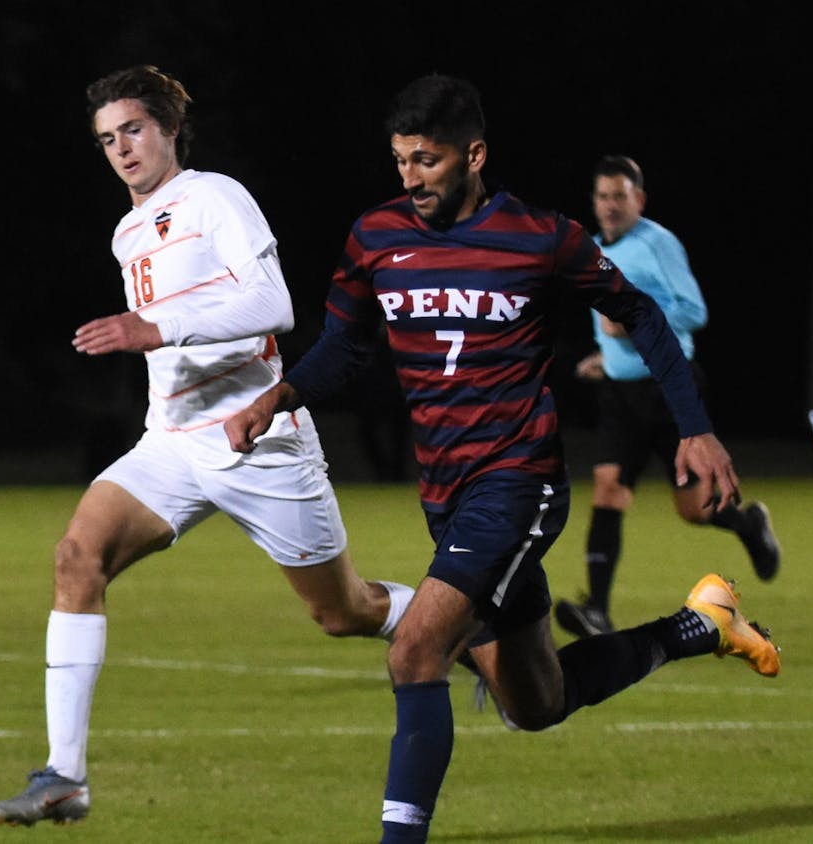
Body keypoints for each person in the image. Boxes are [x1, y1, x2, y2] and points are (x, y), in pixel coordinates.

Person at [224, 74, 781, 844]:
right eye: (400, 161)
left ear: (474, 154)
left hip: (519, 487)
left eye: (427, 160)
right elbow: (344, 348)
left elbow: (642, 315)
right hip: (446, 495)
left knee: (416, 650)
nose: (410, 178)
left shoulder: (539, 236)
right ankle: (699, 624)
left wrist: (695, 425)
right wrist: (277, 397)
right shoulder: (376, 238)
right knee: (535, 702)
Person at [0, 64, 417, 827]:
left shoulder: (216, 196)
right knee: (77, 557)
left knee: (343, 613)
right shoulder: (125, 230)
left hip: (259, 443)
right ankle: (64, 777)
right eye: (107, 138)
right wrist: (156, 359)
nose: (122, 148)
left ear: (170, 131)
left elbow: (273, 303)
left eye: (134, 130)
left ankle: (468, 622)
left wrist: (156, 326)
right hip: (174, 445)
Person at [554, 156, 781, 638]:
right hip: (621, 395)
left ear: (639, 199)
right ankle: (596, 608)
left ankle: (749, 525)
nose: (610, 205)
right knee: (608, 489)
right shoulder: (594, 249)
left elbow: (693, 310)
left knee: (693, 508)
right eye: (603, 196)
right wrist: (605, 356)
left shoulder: (657, 243)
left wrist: (634, 321)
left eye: (620, 195)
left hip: (669, 389)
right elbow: (612, 326)